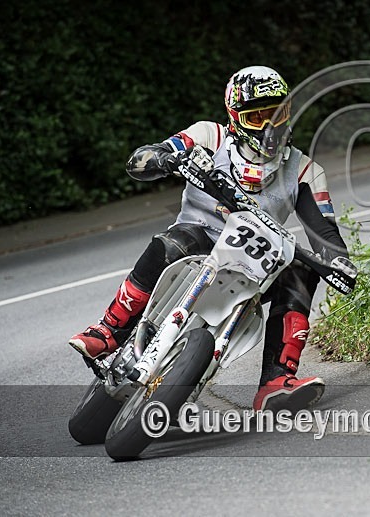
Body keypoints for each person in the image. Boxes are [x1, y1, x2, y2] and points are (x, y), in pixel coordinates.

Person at [69, 65, 354, 413]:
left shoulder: (306, 170)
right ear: (235, 117)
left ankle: (277, 381)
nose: (268, 126)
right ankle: (108, 331)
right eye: (257, 117)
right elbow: (142, 159)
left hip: (255, 265)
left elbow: (325, 233)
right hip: (198, 240)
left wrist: (338, 262)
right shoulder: (208, 135)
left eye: (276, 114)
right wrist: (164, 158)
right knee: (172, 241)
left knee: (301, 272)